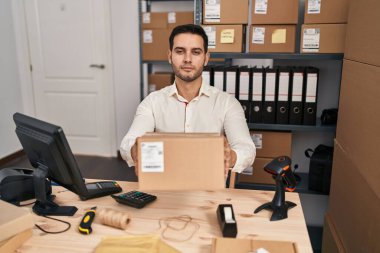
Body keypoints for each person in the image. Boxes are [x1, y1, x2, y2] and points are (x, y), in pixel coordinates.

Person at [120, 24, 255, 178]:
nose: (188, 59)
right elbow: (128, 143)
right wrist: (135, 150)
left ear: (206, 58)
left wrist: (230, 157)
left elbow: (247, 149)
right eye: (180, 51)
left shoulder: (227, 103)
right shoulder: (152, 102)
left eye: (196, 52)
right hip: (163, 189)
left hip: (209, 193)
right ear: (170, 56)